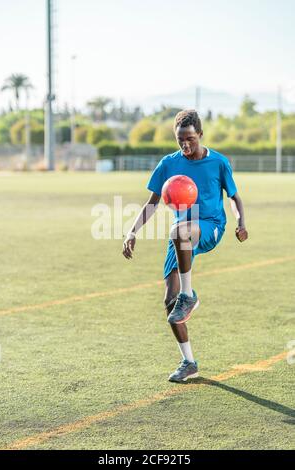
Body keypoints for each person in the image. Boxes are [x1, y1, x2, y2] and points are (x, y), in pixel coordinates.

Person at [122, 110, 248, 383]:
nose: (185, 145)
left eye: (190, 139)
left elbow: (235, 197)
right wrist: (132, 231)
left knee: (179, 231)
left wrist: (241, 222)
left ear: (200, 135)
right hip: (182, 234)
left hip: (211, 225)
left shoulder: (218, 162)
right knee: (170, 303)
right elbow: (152, 201)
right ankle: (189, 362)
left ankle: (189, 295)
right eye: (180, 140)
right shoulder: (169, 164)